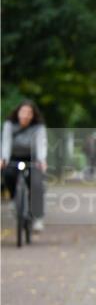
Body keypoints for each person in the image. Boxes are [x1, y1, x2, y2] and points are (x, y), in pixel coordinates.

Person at [1, 99, 48, 231]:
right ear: (18, 113)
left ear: (33, 115)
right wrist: (4, 159)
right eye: (23, 112)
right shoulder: (9, 124)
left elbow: (41, 144)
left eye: (29, 113)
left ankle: (38, 217)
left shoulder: (38, 127)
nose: (25, 115)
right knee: (8, 174)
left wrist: (42, 160)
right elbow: (6, 142)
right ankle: (13, 199)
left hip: (32, 158)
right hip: (14, 157)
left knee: (37, 184)